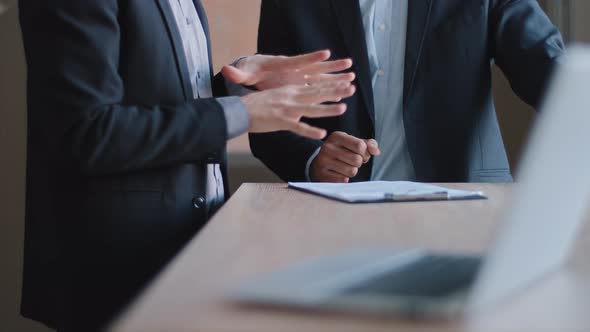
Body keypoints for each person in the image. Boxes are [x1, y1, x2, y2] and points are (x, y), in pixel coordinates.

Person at [18, 0, 356, 330]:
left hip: (190, 254)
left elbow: (156, 99)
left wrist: (238, 89)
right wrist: (242, 113)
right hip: (113, 272)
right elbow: (88, 134)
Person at [250, 0, 566, 183]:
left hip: (467, 204)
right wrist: (313, 159)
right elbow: (266, 109)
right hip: (337, 212)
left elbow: (545, 62)